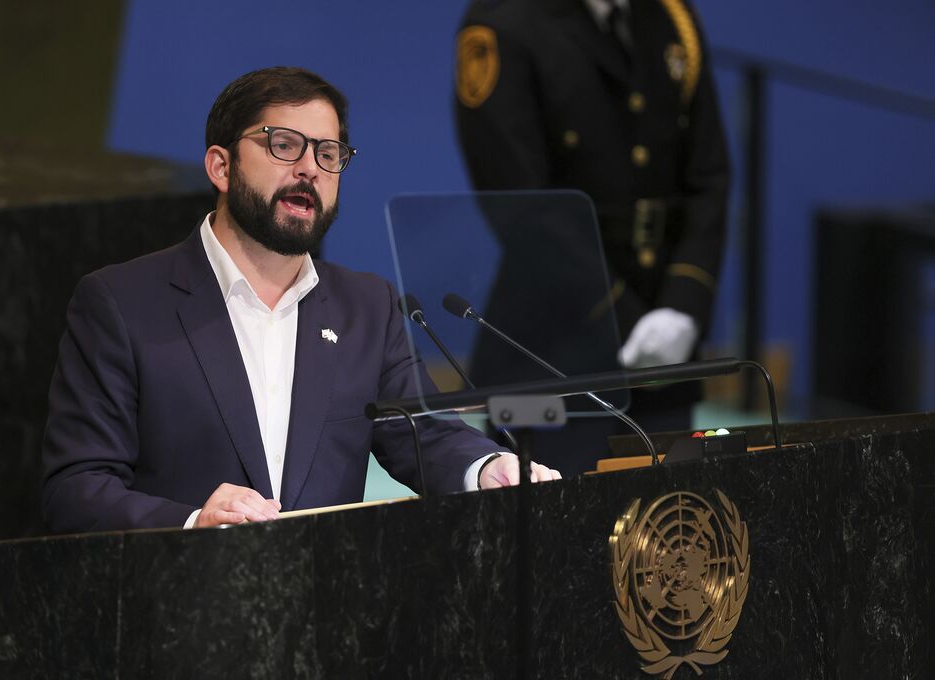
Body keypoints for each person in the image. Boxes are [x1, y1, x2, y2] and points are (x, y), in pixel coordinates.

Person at [41, 66, 559, 534]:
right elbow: (76, 488)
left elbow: (422, 433)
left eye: (328, 153)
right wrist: (192, 522)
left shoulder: (366, 306)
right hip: (179, 610)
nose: (310, 168)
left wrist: (488, 467)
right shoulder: (122, 302)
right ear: (221, 167)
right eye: (284, 145)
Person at [455, 0, 730, 474]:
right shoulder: (503, 22)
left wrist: (684, 303)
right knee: (552, 534)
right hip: (555, 354)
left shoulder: (670, 17)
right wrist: (623, 315)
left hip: (667, 350)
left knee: (664, 528)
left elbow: (709, 177)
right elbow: (522, 206)